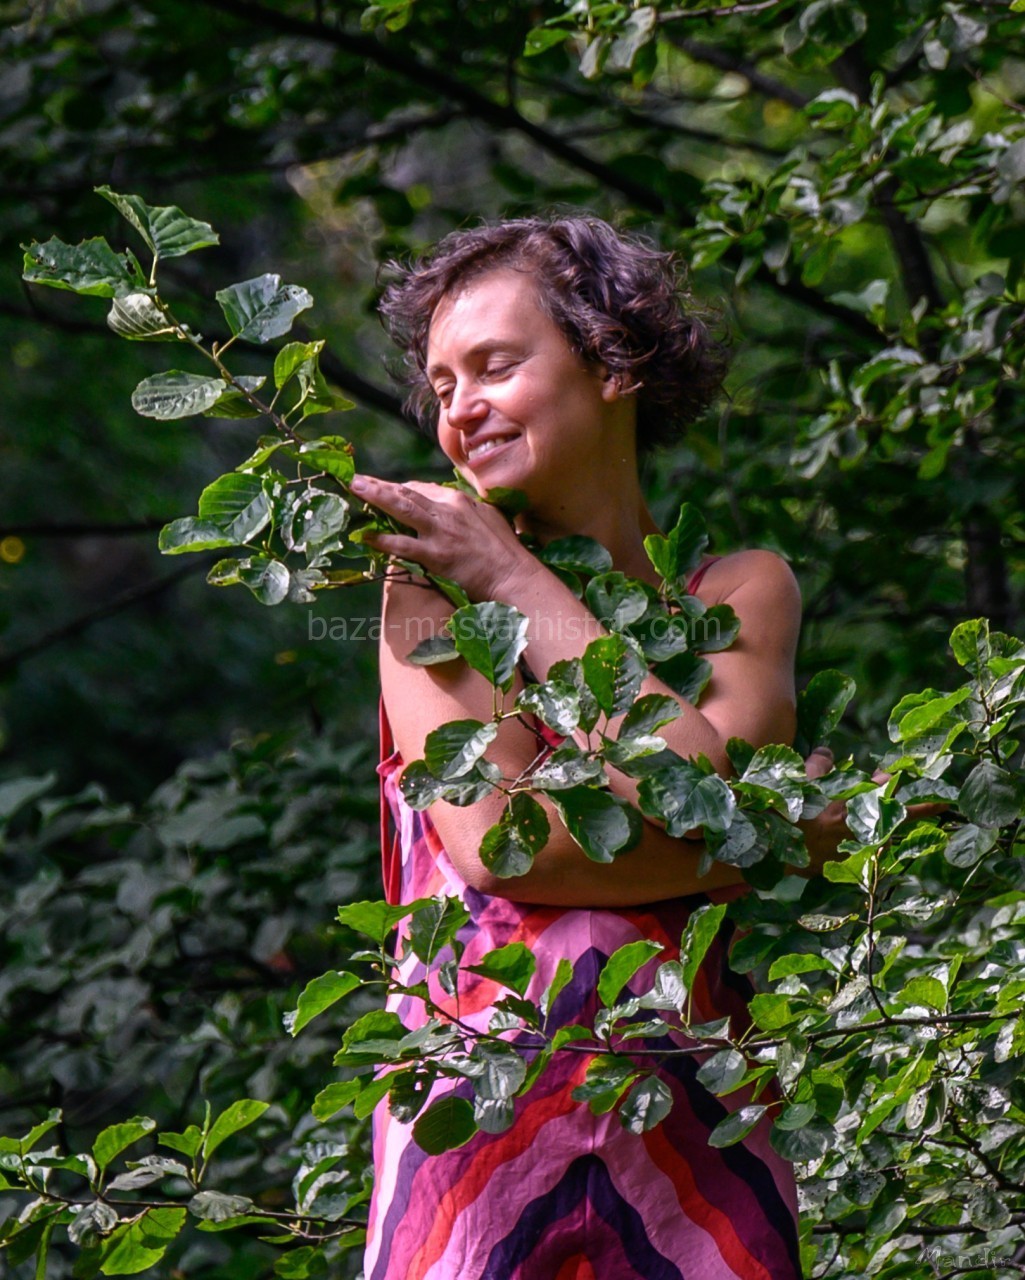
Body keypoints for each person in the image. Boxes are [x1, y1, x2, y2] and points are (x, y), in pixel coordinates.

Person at [349, 216, 811, 1280]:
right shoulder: (424, 587)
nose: (459, 407)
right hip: (471, 1158)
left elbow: (703, 801)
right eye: (442, 385)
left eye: (494, 366)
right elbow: (502, 847)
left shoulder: (739, 592)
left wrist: (517, 581)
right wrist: (765, 842)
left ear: (611, 363)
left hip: (698, 1150)